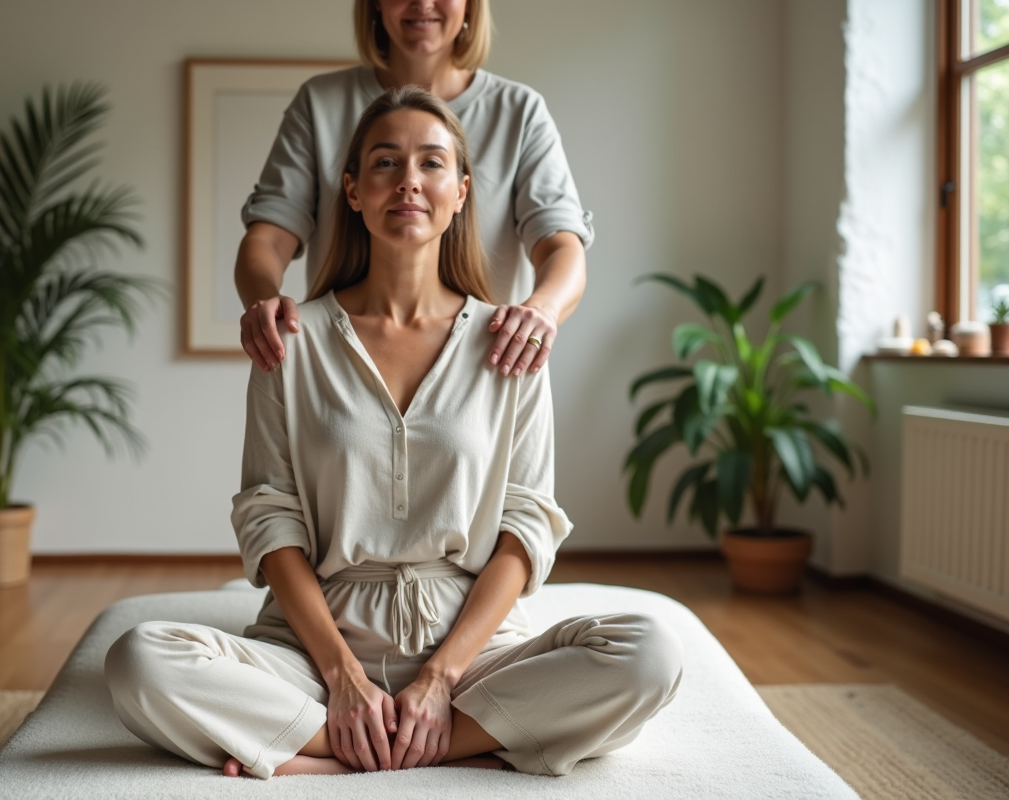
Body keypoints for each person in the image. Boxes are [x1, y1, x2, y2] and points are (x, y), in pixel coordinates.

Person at [105, 87, 682, 780]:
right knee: (139, 659)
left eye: (432, 163)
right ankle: (436, 740)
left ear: (462, 192)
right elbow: (269, 518)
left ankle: (332, 750)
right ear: (351, 190)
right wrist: (343, 676)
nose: (408, 179)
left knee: (650, 654)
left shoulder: (511, 342)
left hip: (474, 647)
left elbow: (526, 527)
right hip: (316, 647)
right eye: (385, 162)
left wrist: (440, 678)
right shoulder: (292, 339)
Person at [236, 0, 592, 382]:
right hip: (341, 368)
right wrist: (265, 304)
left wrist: (542, 310)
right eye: (386, 162)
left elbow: (560, 244)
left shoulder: (520, 112)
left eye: (433, 163)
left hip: (483, 370)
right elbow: (268, 238)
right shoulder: (318, 104)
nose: (423, 3)